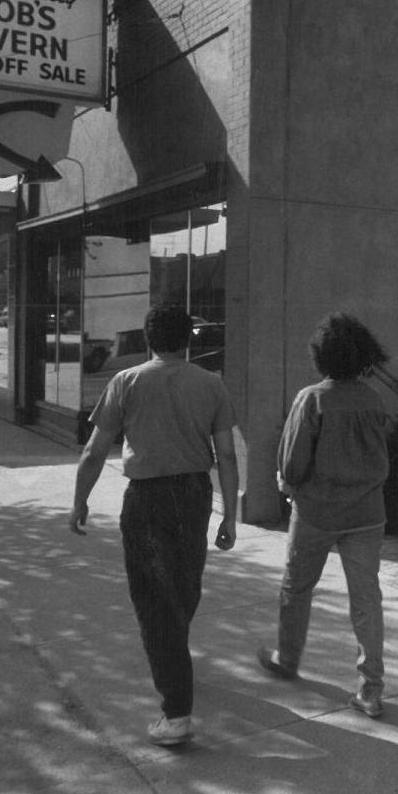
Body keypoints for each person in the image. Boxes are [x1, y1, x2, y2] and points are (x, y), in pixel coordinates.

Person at [69, 303, 239, 746]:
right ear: (187, 340)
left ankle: (176, 713)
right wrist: (231, 516)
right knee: (184, 584)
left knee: (153, 598)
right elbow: (228, 455)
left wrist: (79, 501)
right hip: (194, 494)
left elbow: (94, 450)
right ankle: (175, 666)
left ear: (148, 339)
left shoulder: (126, 382)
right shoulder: (211, 385)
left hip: (146, 498)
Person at [258, 312, 392, 718]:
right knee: (366, 598)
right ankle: (371, 689)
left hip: (316, 511)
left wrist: (288, 483)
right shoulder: (372, 400)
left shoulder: (312, 399)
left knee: (296, 587)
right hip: (367, 512)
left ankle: (288, 658)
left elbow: (293, 461)